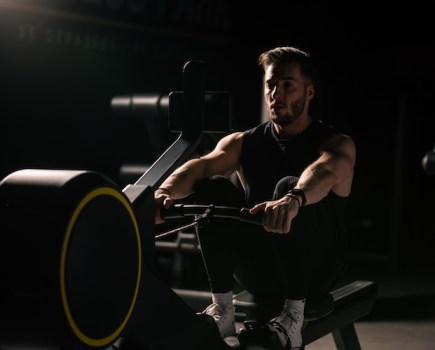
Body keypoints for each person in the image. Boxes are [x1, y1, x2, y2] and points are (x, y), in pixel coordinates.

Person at [154, 46, 356, 349]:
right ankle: (222, 309)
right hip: (260, 272)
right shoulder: (242, 142)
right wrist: (162, 192)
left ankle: (293, 319)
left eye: (288, 85)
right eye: (271, 85)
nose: (277, 93)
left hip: (316, 273)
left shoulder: (336, 143)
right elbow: (201, 166)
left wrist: (294, 198)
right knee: (212, 186)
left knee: (287, 185)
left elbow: (325, 171)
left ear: (310, 92)